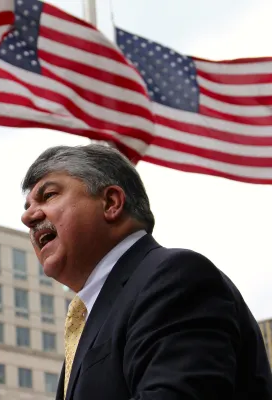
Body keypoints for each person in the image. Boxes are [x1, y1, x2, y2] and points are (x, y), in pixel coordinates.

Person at [20, 144, 272, 400]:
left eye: (49, 195)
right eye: (27, 206)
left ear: (111, 203)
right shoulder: (89, 320)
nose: (27, 217)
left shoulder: (175, 278)